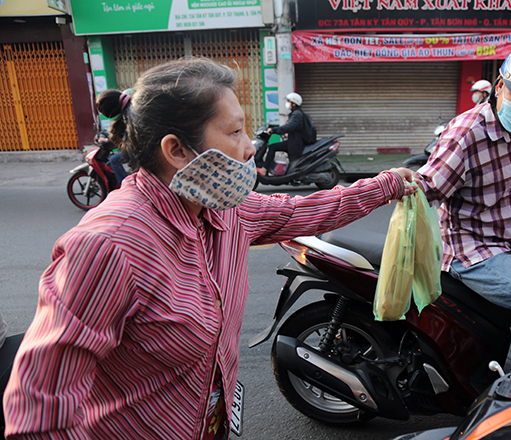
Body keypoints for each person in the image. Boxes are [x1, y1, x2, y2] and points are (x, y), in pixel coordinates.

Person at [3, 58, 417, 439]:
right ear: (177, 150)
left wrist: (388, 185)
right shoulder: (110, 246)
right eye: (235, 131)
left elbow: (301, 210)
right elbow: (41, 410)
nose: (250, 145)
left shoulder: (226, 210)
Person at [418, 43, 511, 371]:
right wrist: (390, 187)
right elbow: (428, 188)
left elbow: (506, 177)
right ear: (500, 86)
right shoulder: (468, 133)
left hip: (502, 246)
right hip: (471, 253)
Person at [257, 92, 313, 176]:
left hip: (295, 143)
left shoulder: (297, 114)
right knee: (274, 146)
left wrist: (273, 130)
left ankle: (264, 169)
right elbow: (288, 126)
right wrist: (272, 127)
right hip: (294, 141)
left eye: (289, 102)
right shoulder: (296, 113)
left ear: (294, 103)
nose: (287, 104)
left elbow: (290, 126)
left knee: (272, 147)